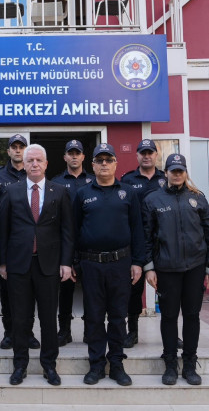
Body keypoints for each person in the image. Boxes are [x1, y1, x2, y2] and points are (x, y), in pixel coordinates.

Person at [0, 144, 74, 387]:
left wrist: (66, 262)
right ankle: (19, 365)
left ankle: (49, 365)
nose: (34, 164)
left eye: (38, 160)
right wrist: (2, 262)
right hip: (18, 264)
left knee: (48, 319)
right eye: (30, 160)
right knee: (20, 318)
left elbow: (67, 230)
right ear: (23, 164)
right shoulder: (11, 191)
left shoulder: (59, 191)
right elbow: (3, 230)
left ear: (46, 163)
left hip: (49, 265)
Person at [142, 153, 209, 386]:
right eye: (173, 170)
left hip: (195, 267)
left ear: (185, 173)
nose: (176, 174)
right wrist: (149, 268)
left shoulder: (198, 198)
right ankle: (170, 364)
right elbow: (146, 237)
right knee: (169, 316)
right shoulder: (153, 200)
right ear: (165, 173)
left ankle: (190, 363)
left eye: (180, 171)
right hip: (166, 268)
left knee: (192, 316)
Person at [74, 143, 145, 386]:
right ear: (92, 165)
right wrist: (75, 262)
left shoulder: (128, 192)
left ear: (115, 163)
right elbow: (73, 230)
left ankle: (116, 364)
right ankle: (96, 365)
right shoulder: (82, 194)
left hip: (120, 263)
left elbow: (137, 229)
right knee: (94, 317)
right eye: (99, 160)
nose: (104, 164)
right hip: (91, 264)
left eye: (108, 160)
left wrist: (138, 262)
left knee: (117, 316)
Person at [0, 134, 39, 351]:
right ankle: (9, 333)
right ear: (8, 151)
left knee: (31, 293)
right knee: (7, 294)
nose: (17, 150)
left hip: (30, 243)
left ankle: (28, 333)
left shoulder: (34, 173)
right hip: (7, 243)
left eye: (21, 147)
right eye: (14, 147)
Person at [120, 138, 167, 348]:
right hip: (137, 240)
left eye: (150, 152)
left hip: (163, 241)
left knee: (167, 290)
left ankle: (170, 333)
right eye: (143, 153)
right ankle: (133, 332)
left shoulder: (166, 178)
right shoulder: (128, 179)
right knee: (134, 289)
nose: (147, 156)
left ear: (156, 155)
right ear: (137, 155)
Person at [50, 139, 95, 346]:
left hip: (89, 242)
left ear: (83, 157)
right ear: (65, 157)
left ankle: (89, 330)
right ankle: (64, 331)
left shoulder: (93, 180)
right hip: (64, 243)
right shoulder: (56, 182)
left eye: (78, 153)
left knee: (90, 290)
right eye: (71, 153)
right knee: (65, 289)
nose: (74, 156)